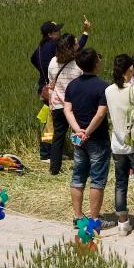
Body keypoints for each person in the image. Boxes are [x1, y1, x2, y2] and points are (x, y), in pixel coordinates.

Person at [31, 18, 90, 162]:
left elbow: (33, 59)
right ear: (50, 34)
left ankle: (51, 152)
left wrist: (43, 72)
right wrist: (85, 34)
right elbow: (75, 48)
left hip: (46, 87)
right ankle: (46, 152)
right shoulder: (54, 46)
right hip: (55, 91)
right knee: (57, 124)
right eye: (56, 30)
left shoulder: (40, 47)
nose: (59, 32)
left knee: (53, 123)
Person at [63, 48, 111, 222]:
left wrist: (78, 130)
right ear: (96, 64)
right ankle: (94, 219)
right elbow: (100, 114)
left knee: (78, 176)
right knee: (97, 179)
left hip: (78, 138)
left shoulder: (72, 85)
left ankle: (77, 217)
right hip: (97, 138)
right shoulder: (104, 86)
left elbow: (67, 110)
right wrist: (88, 132)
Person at [105, 54, 134, 235]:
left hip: (117, 143)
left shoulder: (108, 91)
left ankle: (122, 223)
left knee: (120, 183)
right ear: (131, 69)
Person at [46, 34, 85, 175]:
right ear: (71, 47)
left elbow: (51, 85)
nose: (78, 44)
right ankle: (79, 164)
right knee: (77, 134)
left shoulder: (52, 62)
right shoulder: (78, 63)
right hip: (74, 107)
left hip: (57, 105)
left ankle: (54, 168)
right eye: (75, 43)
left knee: (58, 137)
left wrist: (51, 104)